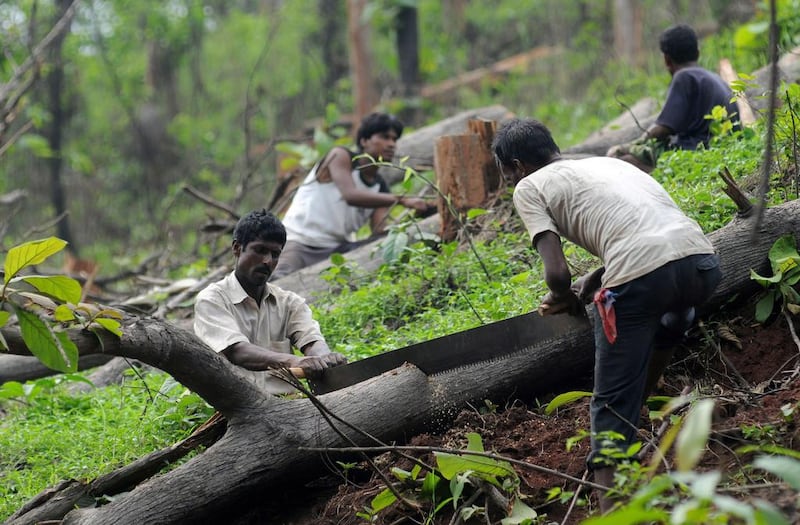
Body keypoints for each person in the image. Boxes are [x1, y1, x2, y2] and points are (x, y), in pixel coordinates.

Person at [492, 118, 722, 513]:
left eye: (506, 175)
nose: (510, 182)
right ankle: (637, 423)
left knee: (609, 405)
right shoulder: (608, 164)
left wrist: (562, 295)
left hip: (645, 277)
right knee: (670, 323)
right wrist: (597, 275)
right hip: (701, 264)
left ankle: (612, 508)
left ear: (518, 165)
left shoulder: (530, 186)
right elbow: (646, 228)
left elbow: (557, 273)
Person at [194, 209, 347, 395]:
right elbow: (237, 352)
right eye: (260, 250)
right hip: (237, 409)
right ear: (237, 248)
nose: (267, 261)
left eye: (275, 254)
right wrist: (294, 361)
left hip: (290, 404)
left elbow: (312, 340)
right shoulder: (212, 300)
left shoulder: (289, 302)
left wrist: (325, 358)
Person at [270, 112, 431, 280]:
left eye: (394, 139)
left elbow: (381, 231)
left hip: (336, 250)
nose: (391, 144)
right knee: (281, 281)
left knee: (373, 248)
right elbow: (350, 195)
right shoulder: (340, 156)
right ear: (364, 141)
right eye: (384, 137)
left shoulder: (380, 187)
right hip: (299, 243)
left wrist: (416, 218)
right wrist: (402, 200)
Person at [607, 24, 739, 172]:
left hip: (696, 153)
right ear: (698, 52)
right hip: (723, 149)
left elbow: (664, 127)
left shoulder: (683, 76)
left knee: (620, 161)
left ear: (667, 60)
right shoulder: (715, 78)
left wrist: (632, 145)